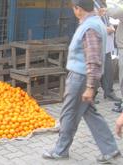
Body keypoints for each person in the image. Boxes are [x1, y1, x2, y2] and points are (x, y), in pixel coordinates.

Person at [42, 0, 121, 164]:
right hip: (84, 77)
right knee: (90, 113)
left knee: (68, 113)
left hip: (80, 78)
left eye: (73, 8)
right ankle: (110, 149)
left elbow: (92, 59)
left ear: (78, 9)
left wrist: (90, 86)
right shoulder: (94, 22)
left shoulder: (89, 27)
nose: (73, 11)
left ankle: (60, 150)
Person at [94, 0, 121, 102]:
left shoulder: (103, 4)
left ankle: (109, 92)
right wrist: (106, 29)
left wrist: (110, 26)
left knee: (108, 70)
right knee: (96, 70)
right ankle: (92, 94)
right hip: (97, 44)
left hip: (107, 44)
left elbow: (105, 19)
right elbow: (91, 22)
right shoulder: (91, 4)